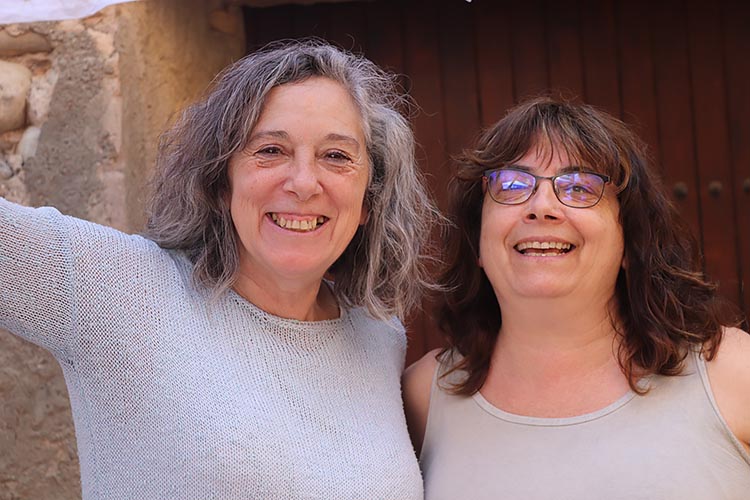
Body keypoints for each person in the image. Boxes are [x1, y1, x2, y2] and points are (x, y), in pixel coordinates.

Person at [0, 39, 439, 499]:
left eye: (336, 156)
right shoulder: (121, 290)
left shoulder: (378, 336)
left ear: (369, 199)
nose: (304, 183)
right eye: (271, 150)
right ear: (221, 182)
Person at [403, 96, 750, 499]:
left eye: (580, 187)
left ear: (631, 241)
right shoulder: (425, 397)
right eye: (512, 185)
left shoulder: (730, 372)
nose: (541, 207)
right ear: (477, 241)